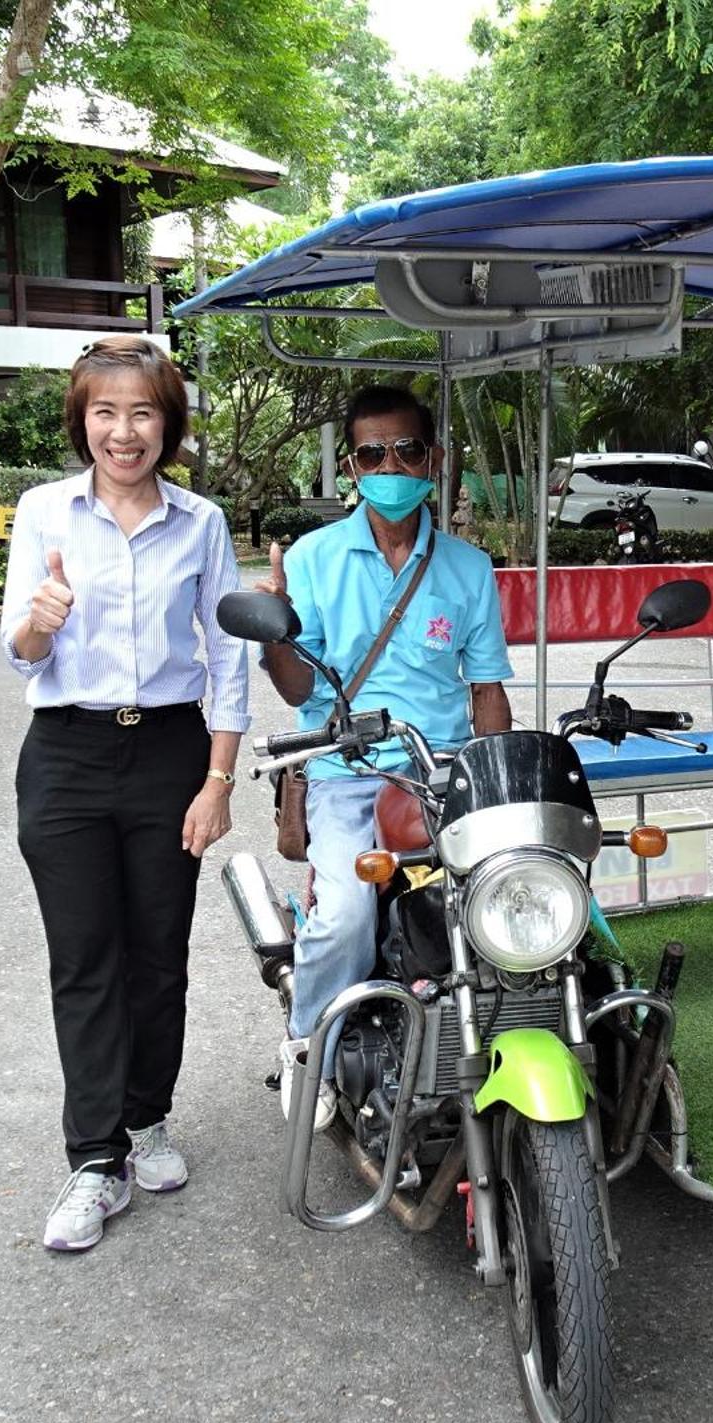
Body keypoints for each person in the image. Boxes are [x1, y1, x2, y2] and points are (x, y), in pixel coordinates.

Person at [0, 335, 249, 1252]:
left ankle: (148, 1120)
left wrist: (219, 777)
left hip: (172, 751)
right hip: (65, 753)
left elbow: (228, 652)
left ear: (166, 424)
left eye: (141, 411)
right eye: (104, 411)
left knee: (159, 952)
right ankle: (94, 1158)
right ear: (82, 422)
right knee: (84, 956)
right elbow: (18, 651)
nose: (123, 430)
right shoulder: (43, 513)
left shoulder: (202, 523)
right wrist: (39, 622)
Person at [257, 384, 513, 1130]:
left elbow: (487, 690)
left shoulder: (468, 567)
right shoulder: (312, 558)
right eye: (373, 453)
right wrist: (275, 630)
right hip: (343, 772)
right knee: (343, 918)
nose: (391, 464)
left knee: (509, 894)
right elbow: (298, 686)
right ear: (351, 464)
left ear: (432, 459)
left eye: (406, 449)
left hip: (437, 772)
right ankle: (309, 1046)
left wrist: (496, 782)